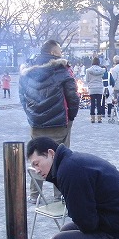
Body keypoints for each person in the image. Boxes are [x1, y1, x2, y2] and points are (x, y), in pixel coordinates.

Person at [19, 40, 80, 203]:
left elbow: (22, 97)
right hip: (59, 122)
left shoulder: (27, 70)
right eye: (59, 50)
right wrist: (71, 116)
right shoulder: (61, 69)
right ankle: (59, 194)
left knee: (37, 157)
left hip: (36, 123)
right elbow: (73, 96)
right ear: (53, 53)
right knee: (60, 157)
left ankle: (34, 194)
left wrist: (31, 115)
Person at [85, 57, 106, 123]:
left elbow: (87, 80)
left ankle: (92, 119)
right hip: (99, 88)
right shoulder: (102, 70)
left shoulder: (88, 70)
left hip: (92, 88)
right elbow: (102, 77)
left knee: (93, 103)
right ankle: (99, 119)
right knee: (99, 103)